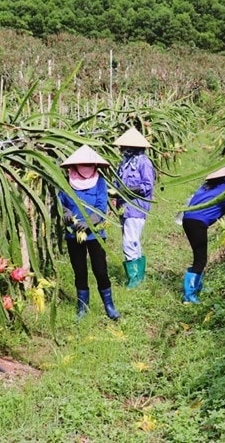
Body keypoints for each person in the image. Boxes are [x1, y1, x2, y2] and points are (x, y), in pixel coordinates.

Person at [58, 145, 120, 320]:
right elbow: (58, 202)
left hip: (95, 235)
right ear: (75, 165)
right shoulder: (65, 181)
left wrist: (89, 222)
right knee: (80, 271)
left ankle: (109, 306)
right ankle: (82, 307)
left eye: (88, 163)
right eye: (82, 163)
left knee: (100, 270)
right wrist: (65, 212)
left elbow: (101, 206)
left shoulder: (99, 181)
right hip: (73, 234)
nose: (86, 167)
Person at [180, 163, 225, 304]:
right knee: (200, 259)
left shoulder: (207, 186)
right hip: (198, 223)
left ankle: (196, 287)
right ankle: (189, 295)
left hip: (188, 219)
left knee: (198, 256)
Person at [113, 126, 156, 289]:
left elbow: (147, 186)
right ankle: (138, 275)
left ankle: (134, 278)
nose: (121, 149)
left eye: (124, 146)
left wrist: (124, 190)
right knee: (133, 240)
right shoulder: (124, 162)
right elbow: (117, 182)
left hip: (136, 207)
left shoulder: (144, 162)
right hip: (124, 206)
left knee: (129, 241)